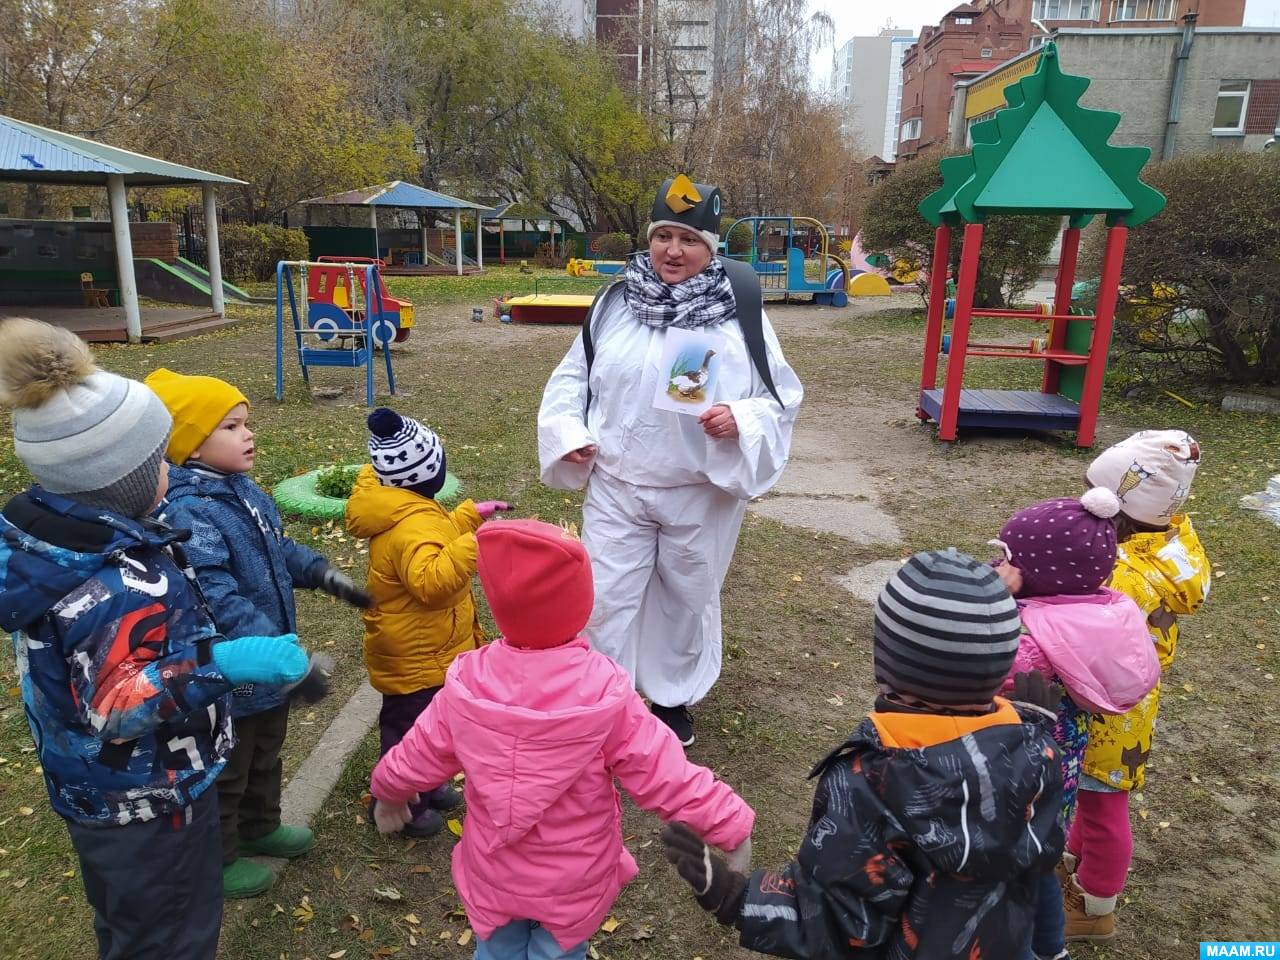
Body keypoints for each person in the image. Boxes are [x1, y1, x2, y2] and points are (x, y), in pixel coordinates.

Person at [0, 318, 305, 960]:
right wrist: (222, 661)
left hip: (115, 794)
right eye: (160, 461)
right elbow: (114, 705)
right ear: (124, 480)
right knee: (172, 933)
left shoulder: (75, 549)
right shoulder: (108, 587)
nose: (172, 472)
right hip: (144, 798)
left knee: (135, 927)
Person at [369, 518, 754, 960]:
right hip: (574, 879)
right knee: (558, 953)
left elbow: (418, 753)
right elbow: (665, 772)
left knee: (496, 950)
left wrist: (389, 793)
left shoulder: (467, 684)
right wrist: (728, 824)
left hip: (494, 870)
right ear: (581, 604)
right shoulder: (605, 693)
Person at [661, 549, 1065, 960]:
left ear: (886, 665)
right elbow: (1040, 846)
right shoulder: (1037, 750)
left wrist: (736, 898)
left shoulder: (872, 782)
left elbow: (841, 924)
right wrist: (1033, 725)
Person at [538, 174, 803, 746]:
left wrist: (741, 418)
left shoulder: (738, 311)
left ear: (711, 249)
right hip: (618, 485)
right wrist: (569, 432)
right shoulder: (615, 302)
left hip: (697, 491)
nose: (673, 251)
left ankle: (670, 697)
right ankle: (601, 696)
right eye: (664, 237)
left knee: (686, 596)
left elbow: (780, 397)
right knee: (603, 595)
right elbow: (573, 377)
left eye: (688, 239)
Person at [146, 367, 373, 898]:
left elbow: (277, 548)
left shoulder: (243, 490)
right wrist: (275, 654)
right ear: (191, 445)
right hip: (237, 666)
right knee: (230, 761)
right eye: (230, 427)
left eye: (246, 424)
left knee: (268, 747)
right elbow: (218, 599)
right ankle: (220, 857)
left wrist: (321, 573)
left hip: (271, 662)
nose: (247, 435)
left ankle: (261, 826)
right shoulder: (190, 512)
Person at [990, 491, 1159, 960]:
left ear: (1042, 575)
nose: (995, 562)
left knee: (1019, 865)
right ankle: (1051, 947)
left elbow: (984, 677)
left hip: (1025, 763)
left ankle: (1023, 944)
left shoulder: (1033, 641)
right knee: (1043, 855)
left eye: (1005, 558)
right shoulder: (1085, 612)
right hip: (1065, 755)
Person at [1063, 430, 1209, 942]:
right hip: (1131, 695)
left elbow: (1091, 641)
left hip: (1110, 707)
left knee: (1104, 804)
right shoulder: (1171, 543)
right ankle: (1073, 866)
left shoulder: (1124, 573)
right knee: (1089, 794)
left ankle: (1095, 908)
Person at [346, 407, 508, 837]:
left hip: (425, 646)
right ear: (425, 474)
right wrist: (474, 544)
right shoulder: (408, 525)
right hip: (413, 656)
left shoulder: (411, 507)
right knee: (406, 729)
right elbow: (432, 581)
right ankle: (400, 802)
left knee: (433, 723)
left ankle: (428, 782)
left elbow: (435, 536)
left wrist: (468, 517)